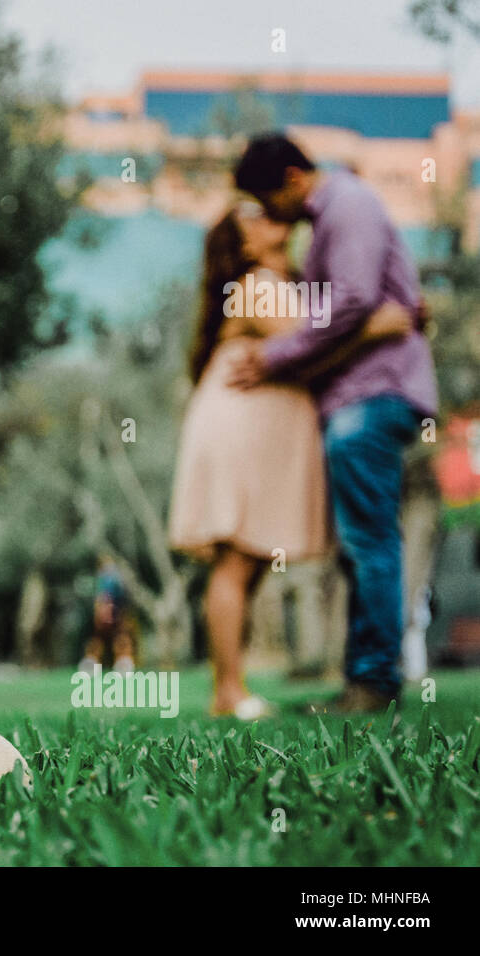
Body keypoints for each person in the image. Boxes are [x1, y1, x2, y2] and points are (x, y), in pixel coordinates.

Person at [169, 199, 412, 719]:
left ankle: (232, 687)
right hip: (239, 430)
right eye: (252, 217)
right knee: (236, 559)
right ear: (243, 245)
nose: (269, 218)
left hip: (254, 433)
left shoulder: (281, 284)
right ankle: (227, 692)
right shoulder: (256, 285)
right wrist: (387, 321)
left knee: (248, 560)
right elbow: (313, 344)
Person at [227, 134, 439, 714]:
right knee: (360, 542)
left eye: (267, 198)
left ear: (294, 177)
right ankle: (363, 675)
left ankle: (373, 681)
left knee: (369, 540)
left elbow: (349, 301)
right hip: (359, 395)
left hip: (372, 395)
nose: (268, 214)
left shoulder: (346, 204)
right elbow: (362, 307)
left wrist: (271, 359)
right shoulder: (331, 219)